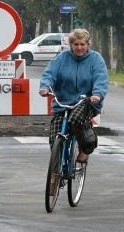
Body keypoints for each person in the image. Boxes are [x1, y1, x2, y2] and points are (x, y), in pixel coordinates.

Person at [39, 29, 109, 164]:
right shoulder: (61, 58)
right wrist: (45, 87)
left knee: (76, 119)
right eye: (76, 44)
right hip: (63, 102)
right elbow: (50, 73)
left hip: (87, 102)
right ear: (70, 45)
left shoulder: (96, 59)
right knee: (55, 138)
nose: (79, 47)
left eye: (82, 44)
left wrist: (97, 95)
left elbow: (101, 79)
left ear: (88, 44)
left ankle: (84, 147)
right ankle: (56, 174)